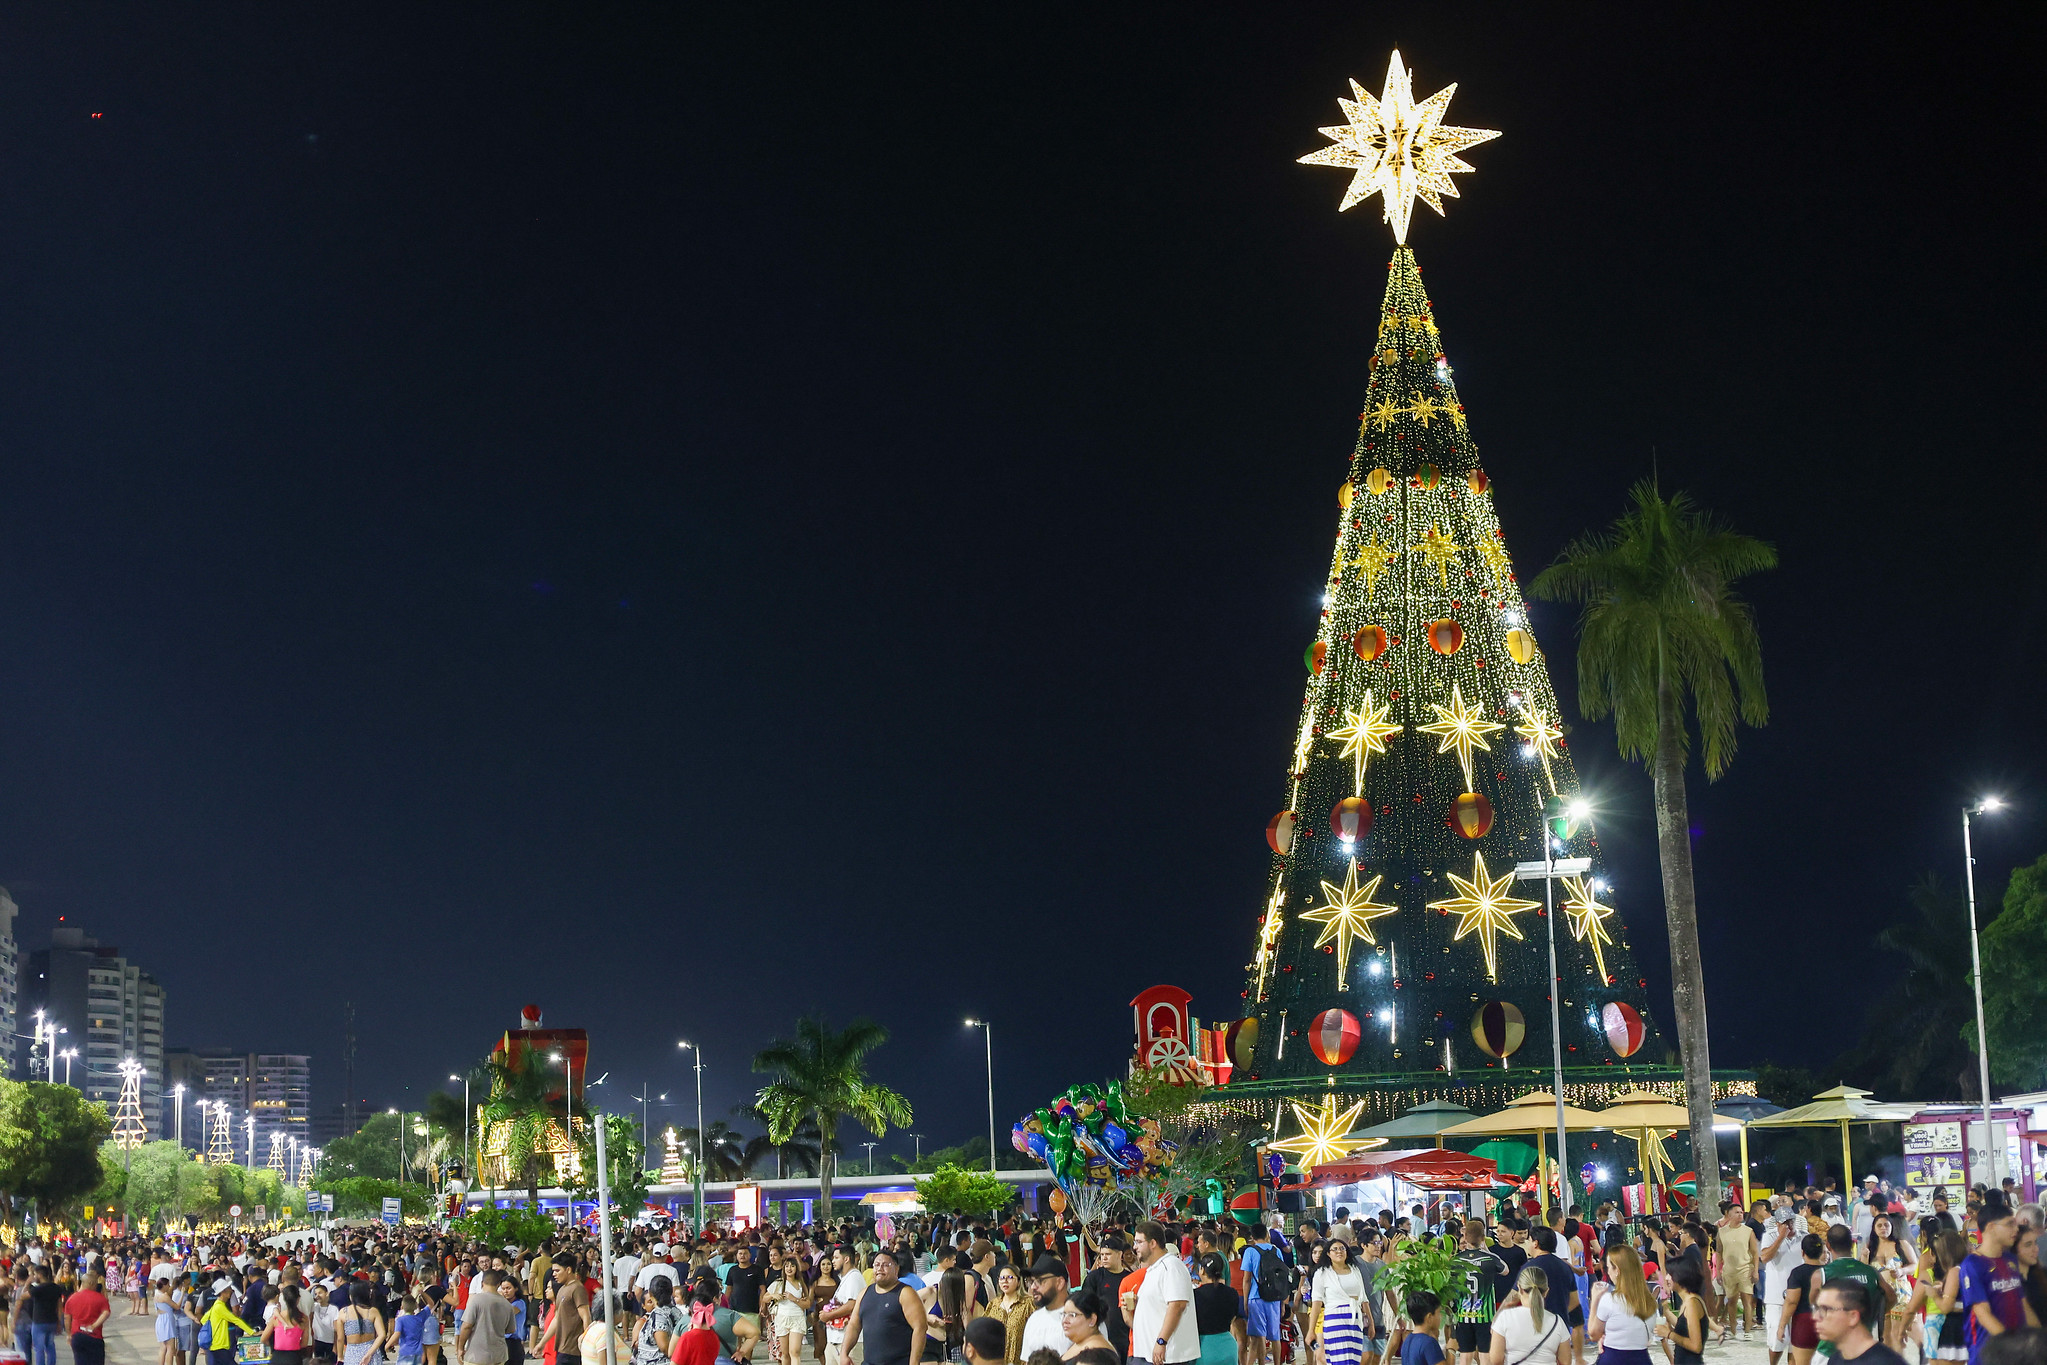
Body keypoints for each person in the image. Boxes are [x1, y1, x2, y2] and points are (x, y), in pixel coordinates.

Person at [1960, 1205, 2040, 1365]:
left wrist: (2039, 1337)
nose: (2016, 1229)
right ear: (1991, 1227)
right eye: (2010, 1224)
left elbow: (2022, 1303)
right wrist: (2012, 1345)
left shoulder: (2010, 1260)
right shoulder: (1972, 1264)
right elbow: (1982, 1313)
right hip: (1988, 1354)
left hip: (2016, 1353)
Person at [839, 1247, 929, 1365]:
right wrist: (844, 1353)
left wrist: (914, 1362)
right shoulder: (864, 1293)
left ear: (896, 1269)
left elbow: (920, 1328)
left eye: (886, 1265)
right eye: (876, 1265)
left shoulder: (906, 1293)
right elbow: (854, 1325)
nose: (880, 1269)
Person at [1129, 1221, 1198, 1365]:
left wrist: (1162, 1341)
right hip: (1151, 1354)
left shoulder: (1171, 1266)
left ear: (1153, 1243)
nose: (1135, 1247)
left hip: (1168, 1356)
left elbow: (1177, 1305)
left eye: (1139, 1242)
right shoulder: (1156, 1269)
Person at [1588, 1245, 1658, 1365]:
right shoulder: (1649, 1301)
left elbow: (1593, 1334)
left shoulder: (1610, 1300)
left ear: (1617, 1271)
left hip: (1614, 1358)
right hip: (1642, 1358)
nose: (1608, 1271)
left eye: (1609, 1268)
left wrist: (1594, 1300)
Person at [1811, 1281, 1909, 1365]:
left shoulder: (1886, 1362)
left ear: (1853, 1316)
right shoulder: (1836, 1359)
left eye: (1825, 1309)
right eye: (1817, 1309)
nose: (1815, 1317)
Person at [1486, 1265, 1567, 1365]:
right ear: (1546, 1292)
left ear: (1519, 1289)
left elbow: (1496, 1360)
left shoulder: (1504, 1318)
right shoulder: (1557, 1322)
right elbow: (1565, 1361)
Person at [1311, 1237, 1369, 1365]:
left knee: (1354, 1359)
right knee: (1339, 1359)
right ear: (1328, 1253)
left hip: (1355, 1320)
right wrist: (1311, 1330)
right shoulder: (1322, 1273)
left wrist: (1370, 1321)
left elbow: (1363, 1298)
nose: (1339, 1252)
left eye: (1342, 1248)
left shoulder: (1355, 1270)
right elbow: (1316, 1302)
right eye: (1335, 1249)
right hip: (1335, 1319)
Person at [1242, 1225, 1289, 1365]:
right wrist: (1282, 1302)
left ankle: (1262, 1363)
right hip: (1274, 1297)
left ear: (1252, 1237)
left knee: (1260, 1335)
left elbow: (1246, 1279)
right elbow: (1282, 1278)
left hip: (1256, 1298)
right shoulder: (1276, 1250)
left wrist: (1245, 1301)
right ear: (1267, 1234)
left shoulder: (1250, 1251)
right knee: (1275, 1336)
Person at [1718, 1204, 1759, 1343]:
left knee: (1747, 1299)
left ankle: (1747, 1330)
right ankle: (1733, 1329)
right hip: (1729, 1270)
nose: (1740, 1214)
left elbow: (1754, 1252)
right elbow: (1718, 1252)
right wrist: (1718, 1271)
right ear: (1729, 1215)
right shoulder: (1722, 1232)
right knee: (1731, 1300)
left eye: (1741, 1212)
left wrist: (1755, 1270)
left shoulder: (1748, 1231)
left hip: (1745, 1269)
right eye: (1737, 1212)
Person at [1018, 1256, 1070, 1362]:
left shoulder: (1081, 1317)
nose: (1033, 1287)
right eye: (1031, 1281)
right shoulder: (1034, 1319)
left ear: (1059, 1282)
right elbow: (1026, 1361)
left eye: (1040, 1280)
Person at [1192, 1257, 1241, 1365]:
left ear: (1202, 1270)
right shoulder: (1232, 1293)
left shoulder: (1194, 1295)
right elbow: (1233, 1318)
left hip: (1203, 1349)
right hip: (1229, 1348)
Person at [764, 1257, 810, 1365]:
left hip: (797, 1318)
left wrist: (794, 1299)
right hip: (782, 1318)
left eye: (792, 1266)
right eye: (787, 1266)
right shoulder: (778, 1283)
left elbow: (807, 1303)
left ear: (796, 1268)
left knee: (795, 1351)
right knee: (784, 1353)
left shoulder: (801, 1284)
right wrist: (773, 1295)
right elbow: (764, 1298)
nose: (789, 1268)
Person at [988, 1265, 1032, 1365]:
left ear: (1019, 1281)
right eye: (1002, 1278)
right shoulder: (994, 1304)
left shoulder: (1028, 1303)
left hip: (1021, 1360)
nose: (1005, 1281)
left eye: (1010, 1277)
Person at [64, 1272, 111, 1365]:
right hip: (95, 1336)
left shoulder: (72, 1298)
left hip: (77, 1335)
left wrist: (69, 1334)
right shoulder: (100, 1298)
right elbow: (106, 1313)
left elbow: (67, 1318)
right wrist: (94, 1325)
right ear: (91, 1284)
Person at [1057, 1289, 1112, 1360]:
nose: (1065, 1320)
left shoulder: (1097, 1352)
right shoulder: (1081, 1343)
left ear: (1092, 1320)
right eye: (1064, 1314)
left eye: (1072, 1315)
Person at [264, 1286, 311, 1365]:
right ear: (298, 1299)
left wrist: (272, 1346)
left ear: (284, 1299)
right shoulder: (303, 1319)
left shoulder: (277, 1317)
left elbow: (263, 1339)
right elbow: (304, 1344)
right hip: (294, 1357)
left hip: (277, 1357)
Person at [1400, 1293, 1444, 1365]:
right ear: (1429, 1317)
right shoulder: (1429, 1343)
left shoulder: (1407, 1341)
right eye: (1438, 1313)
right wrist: (1451, 1351)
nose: (1441, 1316)